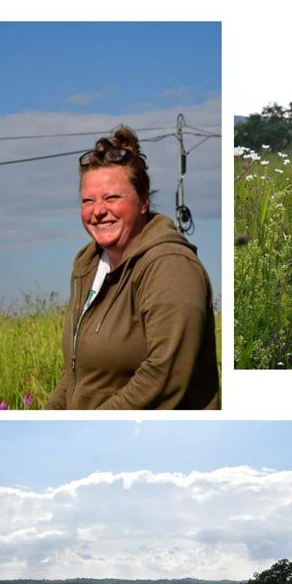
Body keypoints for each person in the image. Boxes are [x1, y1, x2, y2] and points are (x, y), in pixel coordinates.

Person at [45, 126, 219, 410]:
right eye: (88, 200)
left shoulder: (170, 267)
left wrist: (89, 430)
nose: (98, 210)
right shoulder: (88, 266)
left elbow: (163, 377)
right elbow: (77, 371)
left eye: (112, 198)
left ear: (143, 202)